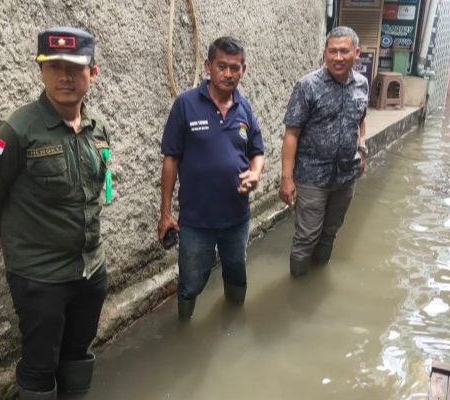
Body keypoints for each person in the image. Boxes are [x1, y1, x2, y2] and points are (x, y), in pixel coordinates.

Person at [0, 27, 111, 399]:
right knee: (39, 366)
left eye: (74, 67)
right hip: (40, 277)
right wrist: (2, 236)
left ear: (92, 73)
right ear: (41, 71)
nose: (64, 76)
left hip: (90, 268)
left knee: (78, 352)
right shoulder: (15, 130)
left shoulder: (98, 130)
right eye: (54, 66)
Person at [158, 37, 265, 321]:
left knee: (236, 273)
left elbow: (258, 152)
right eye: (222, 66)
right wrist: (166, 213)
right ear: (208, 66)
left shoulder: (245, 108)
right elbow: (171, 159)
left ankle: (234, 321)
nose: (228, 74)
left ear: (244, 69)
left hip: (237, 218)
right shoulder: (185, 104)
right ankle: (184, 331)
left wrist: (255, 173)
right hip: (196, 221)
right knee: (190, 283)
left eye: (235, 67)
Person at [279, 26, 369, 278]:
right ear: (324, 53)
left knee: (330, 232)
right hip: (312, 177)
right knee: (307, 236)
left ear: (357, 53)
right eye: (332, 51)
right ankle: (296, 287)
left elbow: (361, 120)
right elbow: (291, 133)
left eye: (344, 51)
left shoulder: (361, 84)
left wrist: (362, 148)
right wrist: (286, 178)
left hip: (345, 177)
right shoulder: (308, 86)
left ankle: (317, 280)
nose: (338, 57)